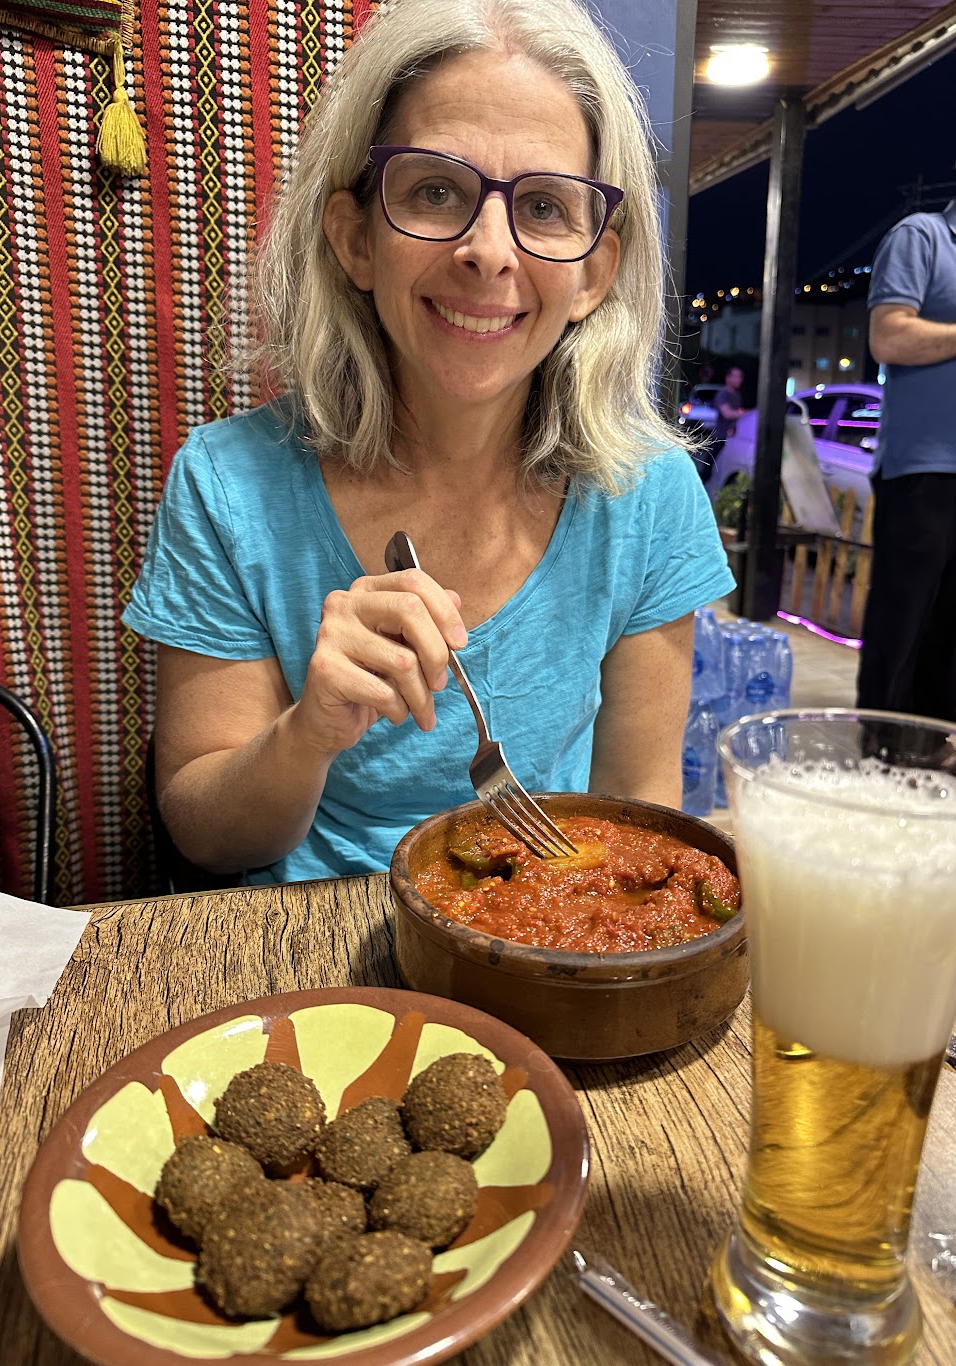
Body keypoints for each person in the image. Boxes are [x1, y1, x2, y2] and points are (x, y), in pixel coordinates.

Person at [123, 0, 734, 884]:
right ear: (355, 240)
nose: (489, 252)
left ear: (594, 273)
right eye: (435, 191)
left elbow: (640, 809)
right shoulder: (227, 483)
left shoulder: (649, 493)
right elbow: (207, 836)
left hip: (551, 925)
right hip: (298, 944)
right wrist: (310, 730)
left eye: (544, 207)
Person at [856, 108, 956, 779]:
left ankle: (931, 740)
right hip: (922, 467)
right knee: (904, 614)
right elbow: (888, 337)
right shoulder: (922, 236)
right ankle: (881, 753)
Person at [703, 365, 745, 485]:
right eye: (736, 376)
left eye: (740, 377)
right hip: (720, 437)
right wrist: (744, 414)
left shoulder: (737, 395)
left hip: (733, 438)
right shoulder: (723, 394)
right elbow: (727, 413)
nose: (739, 380)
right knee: (709, 468)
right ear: (728, 378)